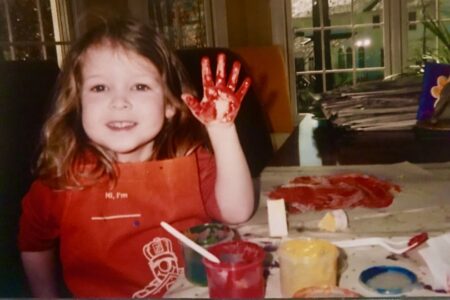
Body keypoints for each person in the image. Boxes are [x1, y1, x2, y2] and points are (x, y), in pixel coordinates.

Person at [18, 18, 254, 298]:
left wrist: (221, 129)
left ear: (169, 104)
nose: (120, 101)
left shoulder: (189, 160)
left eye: (140, 86)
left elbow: (237, 212)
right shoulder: (63, 179)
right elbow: (33, 241)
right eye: (99, 88)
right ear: (77, 103)